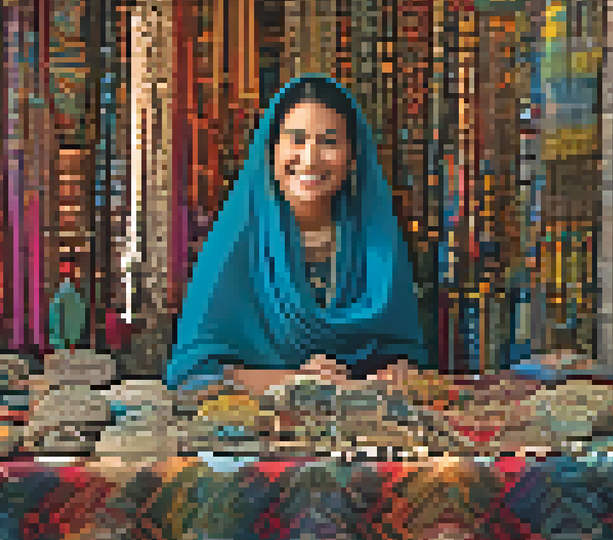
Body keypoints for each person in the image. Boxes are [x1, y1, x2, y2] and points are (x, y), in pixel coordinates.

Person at [164, 75, 428, 394]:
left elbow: (406, 356)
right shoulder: (237, 244)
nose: (311, 158)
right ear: (271, 150)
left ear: (352, 157)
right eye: (296, 140)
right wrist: (295, 381)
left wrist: (399, 373)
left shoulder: (377, 244)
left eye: (329, 142)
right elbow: (192, 376)